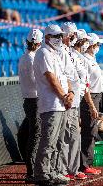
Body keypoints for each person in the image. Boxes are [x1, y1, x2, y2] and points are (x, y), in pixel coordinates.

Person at [33, 24, 73, 185]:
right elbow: (51, 78)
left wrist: (70, 93)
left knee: (57, 141)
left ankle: (53, 171)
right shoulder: (43, 53)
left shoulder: (56, 53)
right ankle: (42, 173)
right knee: (48, 140)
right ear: (47, 37)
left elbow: (64, 76)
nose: (59, 39)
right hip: (51, 103)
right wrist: (64, 96)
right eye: (56, 36)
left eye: (60, 36)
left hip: (61, 103)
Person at [56, 22, 87, 180]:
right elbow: (63, 76)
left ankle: (73, 169)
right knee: (65, 137)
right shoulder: (60, 51)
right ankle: (63, 169)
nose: (75, 37)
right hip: (67, 100)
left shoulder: (70, 52)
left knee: (74, 136)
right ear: (67, 35)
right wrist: (68, 94)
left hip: (75, 100)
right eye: (73, 35)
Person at [79, 32, 103, 175]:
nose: (98, 47)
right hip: (90, 97)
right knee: (89, 131)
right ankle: (84, 164)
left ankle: (87, 162)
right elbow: (86, 85)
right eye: (97, 45)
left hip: (96, 95)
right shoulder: (85, 60)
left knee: (92, 130)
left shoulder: (92, 59)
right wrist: (91, 104)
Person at [18, 29, 42, 182]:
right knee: (35, 135)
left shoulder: (24, 57)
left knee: (34, 134)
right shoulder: (32, 59)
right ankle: (31, 171)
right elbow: (37, 81)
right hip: (34, 100)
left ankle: (32, 169)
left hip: (29, 99)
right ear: (38, 43)